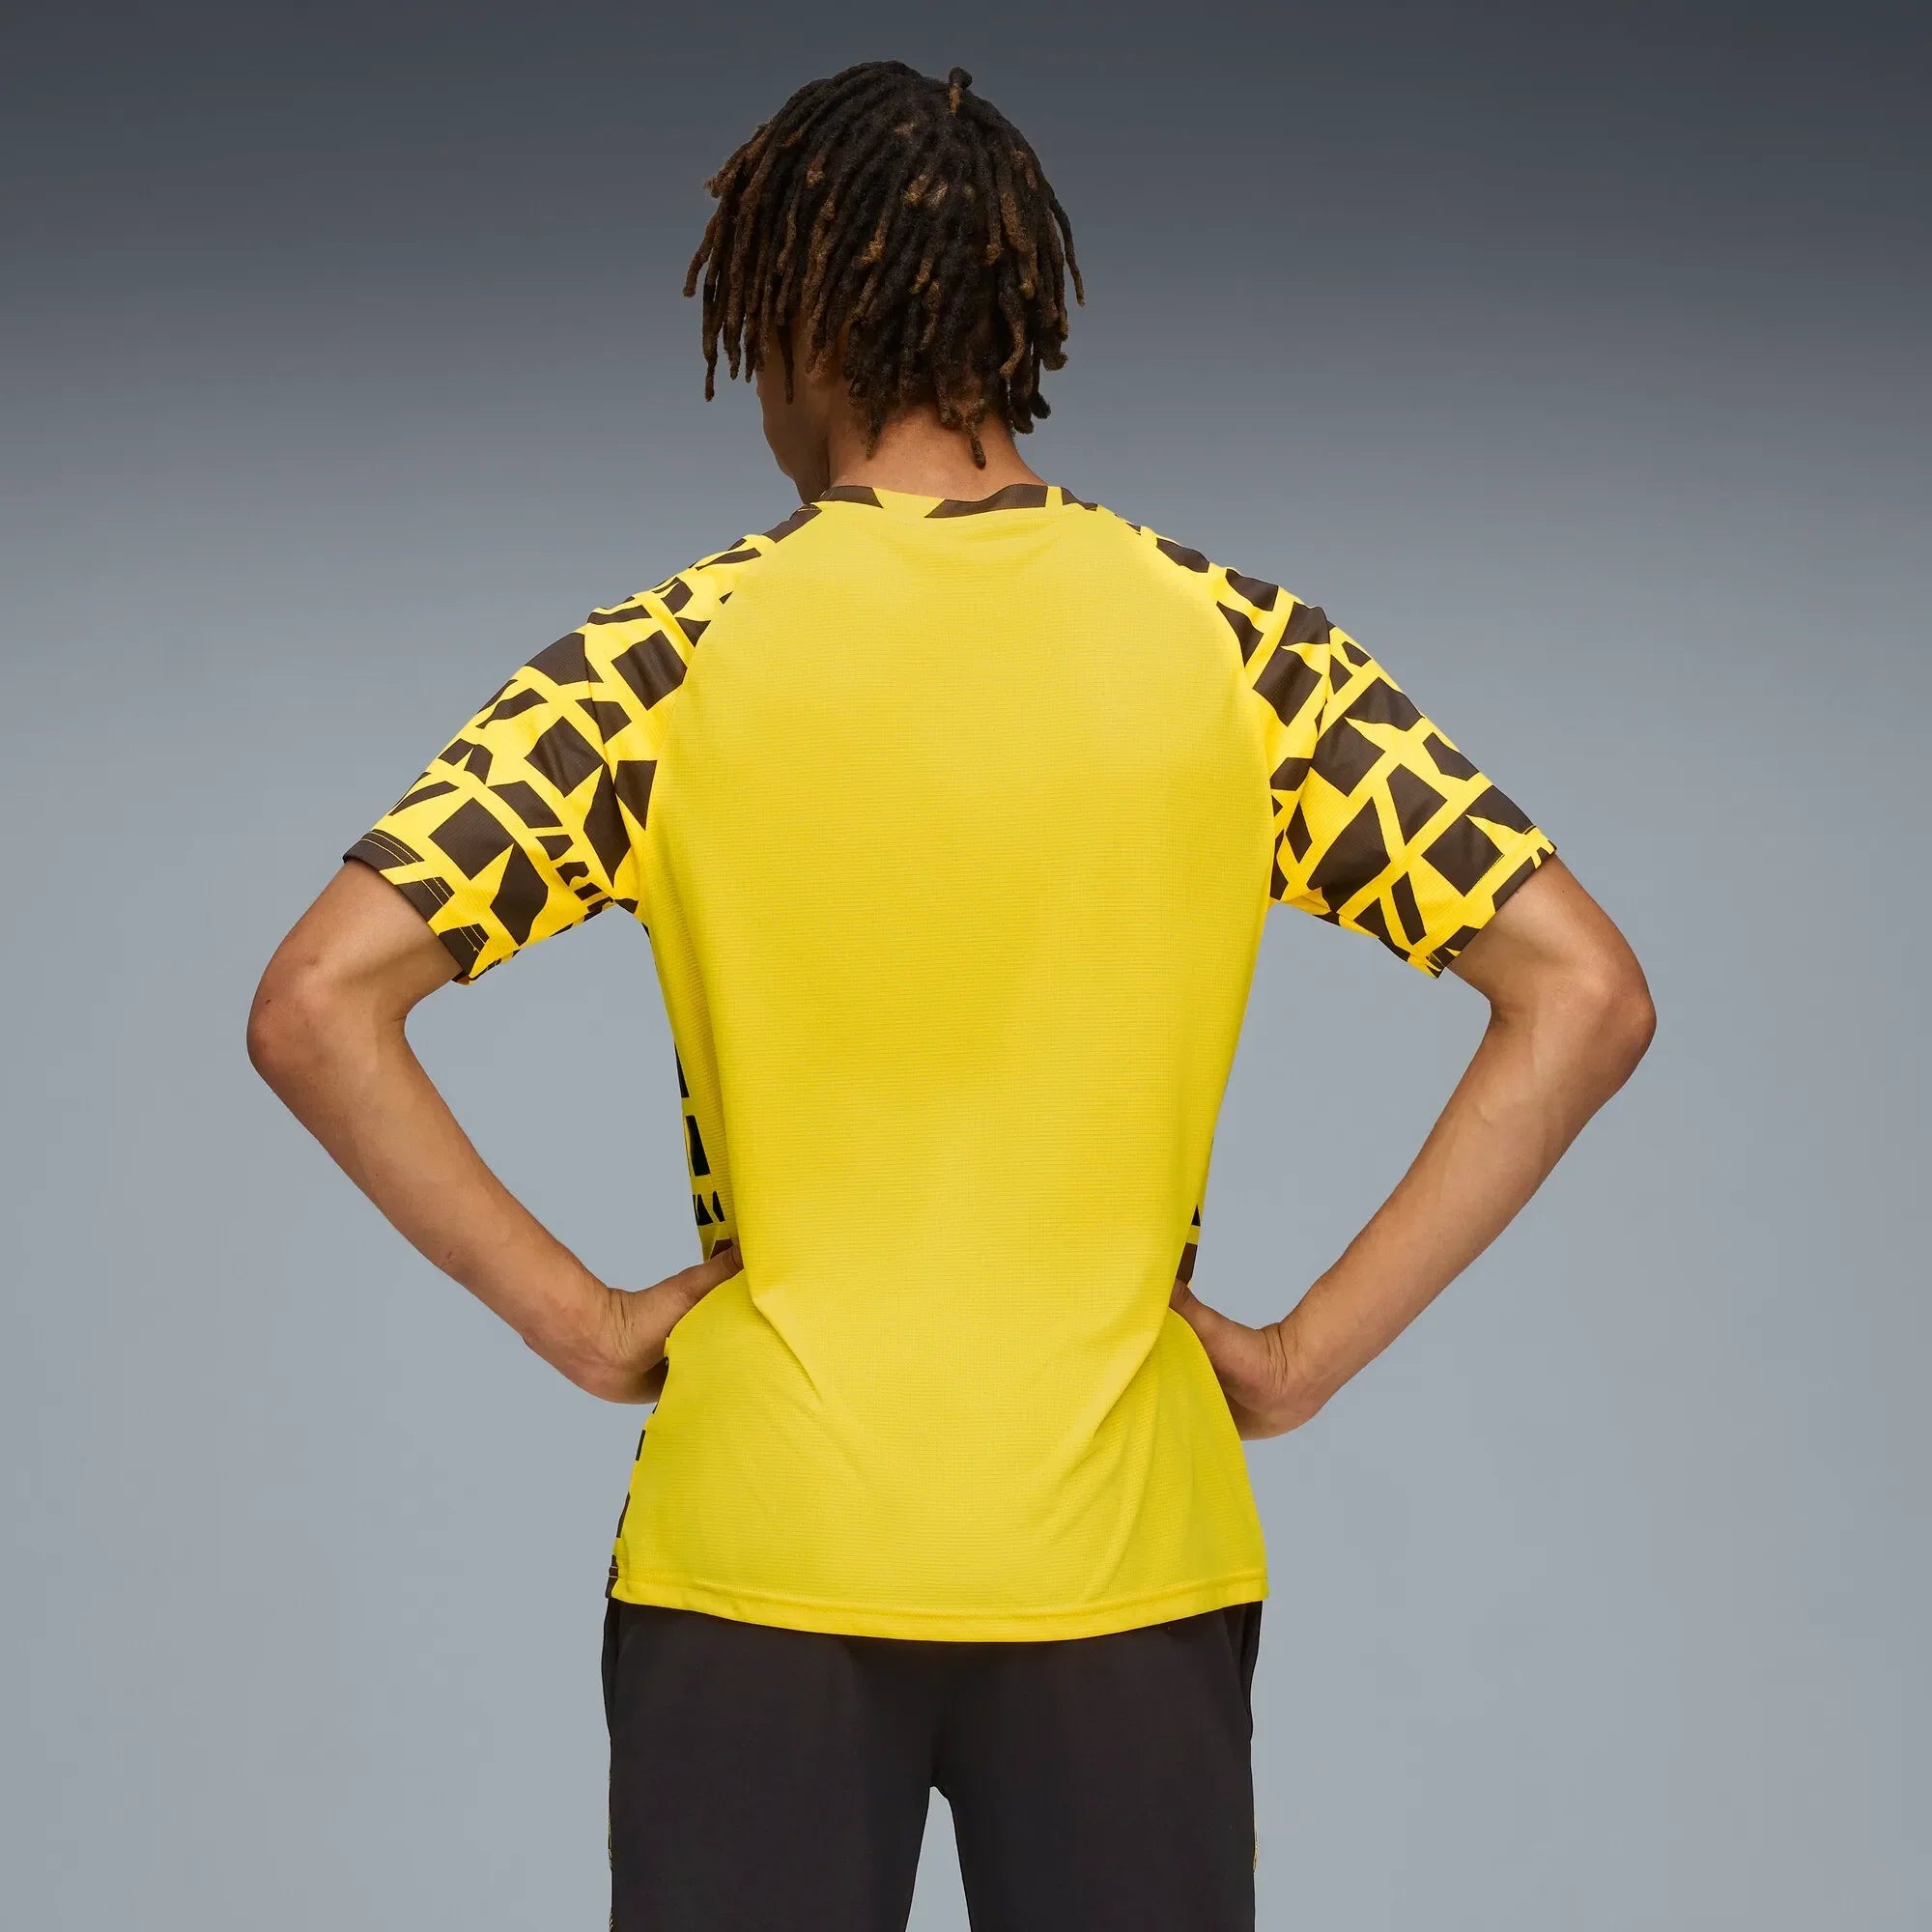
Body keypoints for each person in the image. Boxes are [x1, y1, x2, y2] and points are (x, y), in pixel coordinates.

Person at [246, 58, 1655, 1932]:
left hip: (758, 1554)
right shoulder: (1244, 654)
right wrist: (1297, 1359)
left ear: (794, 322)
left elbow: (317, 1001)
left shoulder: (660, 666)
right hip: (1125, 1560)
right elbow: (1583, 989)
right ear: (1013, 319)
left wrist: (585, 1324)